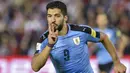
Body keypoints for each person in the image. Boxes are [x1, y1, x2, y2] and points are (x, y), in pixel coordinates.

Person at [31, 1, 126, 73]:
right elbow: (35, 67)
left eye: (57, 16)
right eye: (49, 16)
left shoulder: (82, 31)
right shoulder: (43, 39)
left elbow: (104, 37)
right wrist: (50, 45)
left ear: (65, 18)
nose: (52, 20)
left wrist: (117, 62)